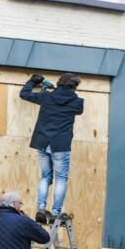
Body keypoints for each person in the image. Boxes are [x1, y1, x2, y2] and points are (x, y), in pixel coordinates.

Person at [20, 73, 84, 224]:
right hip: (60, 145)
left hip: (42, 141)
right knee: (61, 179)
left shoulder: (46, 97)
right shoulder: (77, 102)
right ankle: (56, 212)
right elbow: (78, 111)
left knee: (45, 177)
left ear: (59, 83)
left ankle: (41, 209)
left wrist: (33, 81)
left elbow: (24, 94)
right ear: (75, 86)